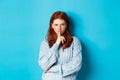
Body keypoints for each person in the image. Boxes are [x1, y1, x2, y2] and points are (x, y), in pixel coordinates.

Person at [38, 11, 82, 80]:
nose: (59, 28)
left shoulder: (75, 42)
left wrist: (53, 69)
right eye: (56, 25)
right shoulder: (45, 43)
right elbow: (44, 65)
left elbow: (77, 65)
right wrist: (56, 44)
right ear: (52, 25)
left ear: (66, 25)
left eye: (62, 24)